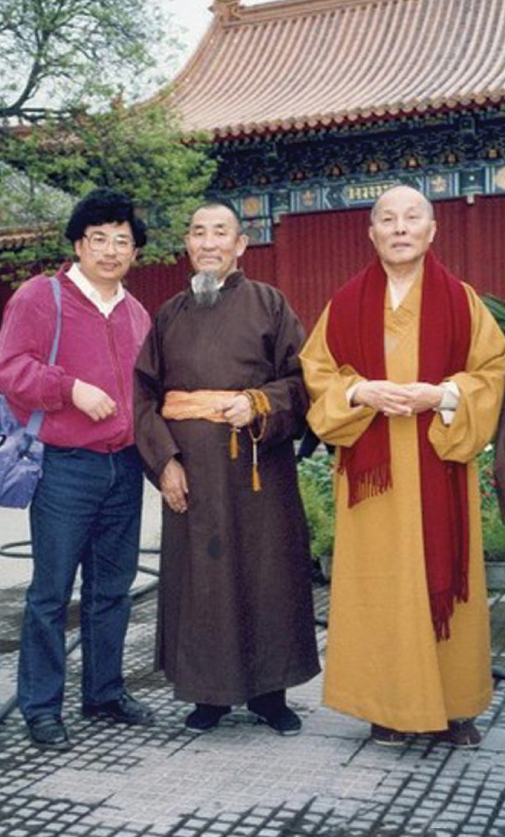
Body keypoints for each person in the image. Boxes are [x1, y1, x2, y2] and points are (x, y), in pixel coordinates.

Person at [300, 185, 505, 747]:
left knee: (450, 582)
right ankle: (387, 707)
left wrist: (439, 396)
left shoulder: (461, 301)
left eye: (411, 218)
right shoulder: (345, 303)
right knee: (380, 587)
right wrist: (362, 391)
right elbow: (318, 374)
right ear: (371, 233)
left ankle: (455, 707)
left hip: (438, 463)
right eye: (387, 219)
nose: (399, 228)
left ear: (431, 230)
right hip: (375, 479)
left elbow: (491, 373)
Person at [134, 200, 320, 735]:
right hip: (192, 475)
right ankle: (207, 694)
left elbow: (302, 382)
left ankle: (270, 694)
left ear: (241, 245)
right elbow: (145, 396)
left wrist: (260, 404)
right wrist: (165, 462)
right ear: (188, 246)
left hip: (259, 472)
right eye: (198, 233)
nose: (209, 243)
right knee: (201, 580)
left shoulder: (270, 304)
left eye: (221, 233)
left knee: (266, 576)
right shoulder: (168, 315)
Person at [0, 188, 153, 751]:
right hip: (65, 468)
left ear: (134, 251)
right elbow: (8, 369)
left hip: (123, 467)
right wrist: (70, 389)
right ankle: (40, 707)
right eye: (100, 239)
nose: (111, 251)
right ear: (79, 244)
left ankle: (104, 693)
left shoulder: (136, 312)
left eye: (123, 242)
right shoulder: (43, 297)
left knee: (113, 589)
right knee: (51, 593)